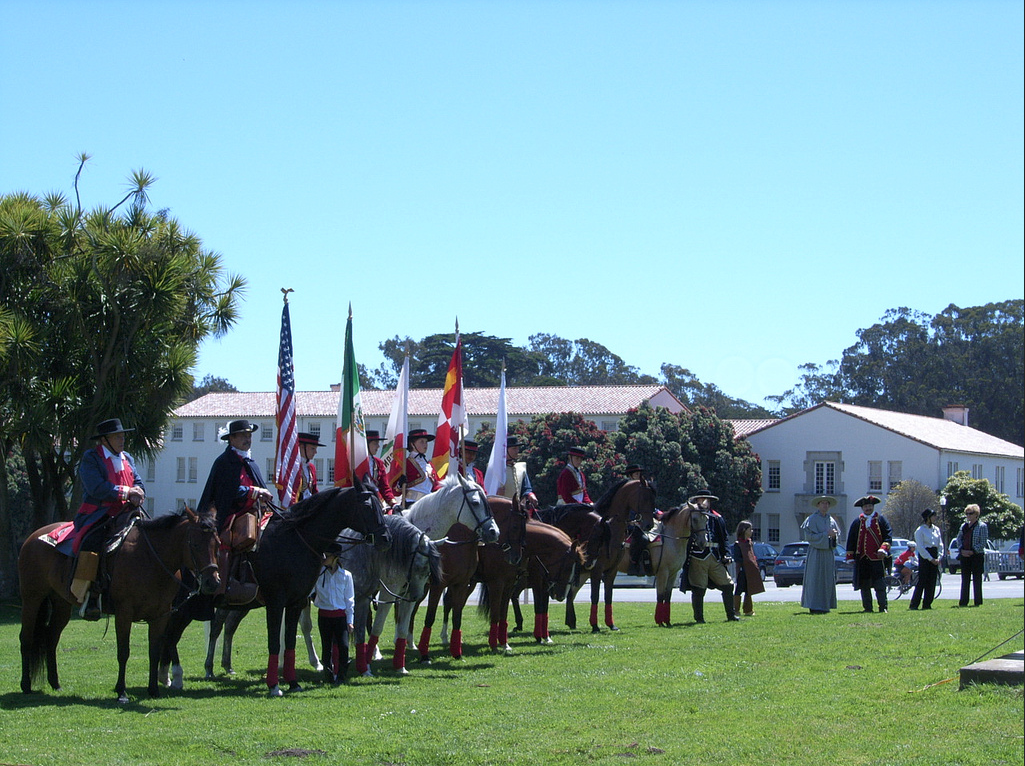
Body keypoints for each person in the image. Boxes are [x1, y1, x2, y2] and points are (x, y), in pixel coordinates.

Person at [70, 418, 146, 620]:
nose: (122, 440)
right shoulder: (91, 458)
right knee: (92, 542)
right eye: (117, 436)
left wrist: (139, 491)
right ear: (105, 440)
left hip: (127, 512)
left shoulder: (127, 457)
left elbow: (137, 481)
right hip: (99, 513)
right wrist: (127, 492)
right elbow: (96, 488)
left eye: (122, 436)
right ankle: (91, 595)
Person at [198, 419, 272, 603]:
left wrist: (263, 497)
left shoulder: (249, 461)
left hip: (253, 511)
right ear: (232, 439)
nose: (248, 439)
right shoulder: (224, 462)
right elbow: (226, 492)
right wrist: (254, 491)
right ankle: (220, 587)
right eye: (244, 435)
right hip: (230, 512)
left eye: (249, 435)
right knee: (225, 540)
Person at [679, 493, 739, 623]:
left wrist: (726, 554)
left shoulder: (717, 518)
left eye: (708, 500)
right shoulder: (690, 516)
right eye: (702, 499)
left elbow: (724, 538)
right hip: (698, 557)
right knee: (699, 588)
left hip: (714, 556)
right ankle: (699, 618)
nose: (705, 502)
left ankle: (731, 615)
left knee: (728, 585)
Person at [313, 543, 355, 685]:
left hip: (340, 617)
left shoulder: (346, 576)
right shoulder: (319, 574)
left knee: (343, 646)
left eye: (327, 555)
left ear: (335, 558)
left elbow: (349, 600)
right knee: (326, 647)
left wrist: (350, 620)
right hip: (324, 616)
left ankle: (342, 676)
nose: (324, 558)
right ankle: (329, 675)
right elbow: (311, 591)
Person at [845, 495, 892, 613]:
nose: (868, 508)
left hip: (877, 558)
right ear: (862, 508)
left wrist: (883, 549)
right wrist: (850, 556)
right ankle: (868, 608)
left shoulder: (881, 520)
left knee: (879, 584)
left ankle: (883, 607)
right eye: (866, 506)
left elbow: (888, 536)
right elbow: (851, 540)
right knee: (864, 585)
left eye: (870, 506)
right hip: (862, 559)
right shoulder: (857, 522)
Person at [800, 495, 842, 615]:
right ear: (818, 505)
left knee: (827, 579)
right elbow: (809, 537)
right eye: (823, 503)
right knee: (815, 578)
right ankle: (814, 606)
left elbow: (835, 539)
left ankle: (825, 605)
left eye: (827, 503)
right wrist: (825, 534)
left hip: (828, 554)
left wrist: (833, 537)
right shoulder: (811, 519)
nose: (825, 505)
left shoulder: (831, 520)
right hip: (816, 553)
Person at [356, 430, 399, 511]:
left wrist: (394, 504)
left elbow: (384, 487)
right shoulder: (356, 462)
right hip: (359, 502)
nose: (378, 446)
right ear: (367, 444)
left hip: (376, 501)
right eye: (375, 443)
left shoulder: (379, 463)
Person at [955, 503, 989, 607]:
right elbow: (959, 539)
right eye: (967, 513)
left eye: (970, 513)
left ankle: (977, 601)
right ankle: (963, 602)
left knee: (977, 579)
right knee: (965, 579)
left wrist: (973, 551)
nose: (968, 516)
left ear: (976, 514)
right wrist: (961, 550)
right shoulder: (963, 526)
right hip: (964, 556)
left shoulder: (982, 526)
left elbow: (983, 542)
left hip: (976, 556)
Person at [909, 508, 943, 610]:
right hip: (925, 557)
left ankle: (927, 604)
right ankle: (914, 604)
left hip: (934, 554)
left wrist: (939, 557)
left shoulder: (936, 529)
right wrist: (930, 558)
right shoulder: (920, 530)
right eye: (933, 516)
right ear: (928, 518)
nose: (935, 518)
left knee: (932, 581)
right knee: (922, 581)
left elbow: (940, 544)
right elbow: (920, 547)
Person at [731, 520, 765, 616]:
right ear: (744, 530)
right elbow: (737, 558)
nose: (752, 531)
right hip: (742, 570)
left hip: (750, 570)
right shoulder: (737, 544)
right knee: (739, 589)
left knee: (749, 589)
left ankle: (748, 610)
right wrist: (746, 563)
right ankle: (735, 609)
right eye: (750, 529)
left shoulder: (749, 543)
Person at [496, 435, 539, 512]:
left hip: (518, 509)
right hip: (501, 510)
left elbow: (526, 488)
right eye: (514, 448)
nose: (517, 451)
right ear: (506, 450)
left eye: (517, 448)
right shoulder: (496, 469)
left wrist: (530, 495)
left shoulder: (521, 468)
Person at [404, 428, 441, 504]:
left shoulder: (429, 465)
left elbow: (436, 486)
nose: (425, 445)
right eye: (422, 442)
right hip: (411, 503)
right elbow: (395, 489)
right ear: (412, 444)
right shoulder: (405, 463)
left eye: (426, 442)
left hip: (429, 504)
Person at [296, 431, 323, 501]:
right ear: (302, 447)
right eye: (312, 448)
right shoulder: (293, 467)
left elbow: (314, 491)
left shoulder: (311, 468)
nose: (315, 452)